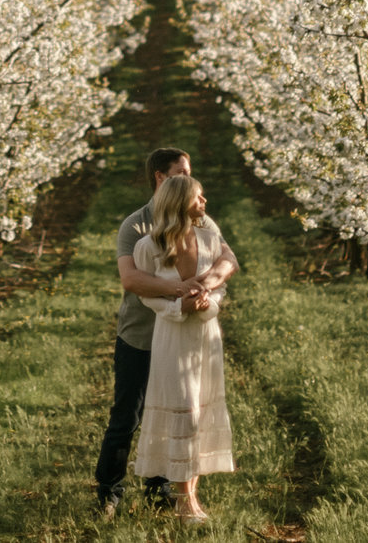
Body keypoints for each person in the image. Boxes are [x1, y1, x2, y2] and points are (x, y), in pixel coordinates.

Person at [95, 147, 239, 515]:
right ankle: (110, 490)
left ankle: (162, 491)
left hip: (187, 333)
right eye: (182, 174)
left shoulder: (204, 226)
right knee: (129, 415)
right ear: (162, 178)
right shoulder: (137, 226)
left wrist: (203, 285)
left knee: (183, 410)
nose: (190, 181)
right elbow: (131, 279)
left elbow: (227, 259)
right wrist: (181, 292)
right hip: (142, 333)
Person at [130, 174, 235, 521]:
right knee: (184, 413)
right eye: (199, 197)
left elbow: (221, 283)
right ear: (180, 202)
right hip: (172, 337)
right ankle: (181, 500)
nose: (204, 203)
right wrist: (178, 307)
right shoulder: (149, 246)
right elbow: (146, 294)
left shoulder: (209, 238)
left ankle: (192, 496)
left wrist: (208, 302)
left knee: (200, 413)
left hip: (206, 335)